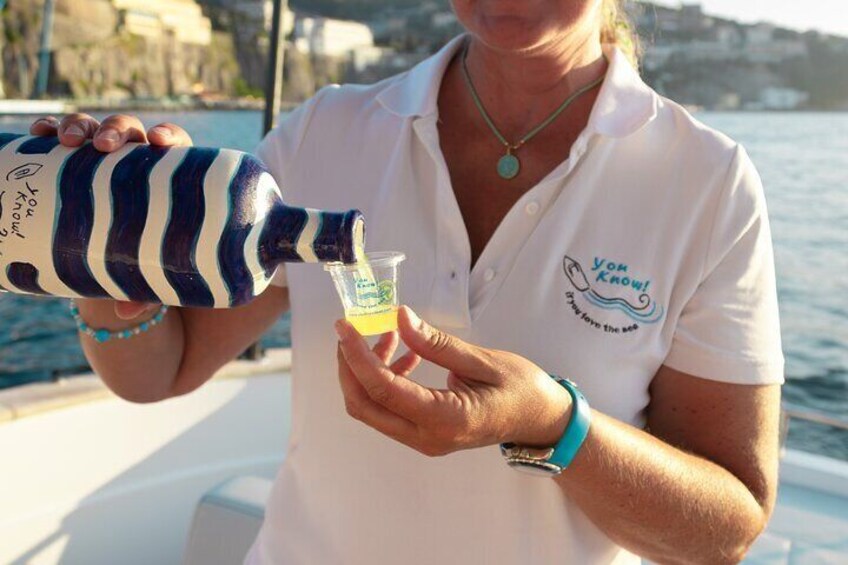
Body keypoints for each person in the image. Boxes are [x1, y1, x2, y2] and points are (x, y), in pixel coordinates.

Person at [31, 0, 784, 563]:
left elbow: (725, 528)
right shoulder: (327, 130)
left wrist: (552, 426)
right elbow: (159, 368)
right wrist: (98, 254)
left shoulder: (705, 182)